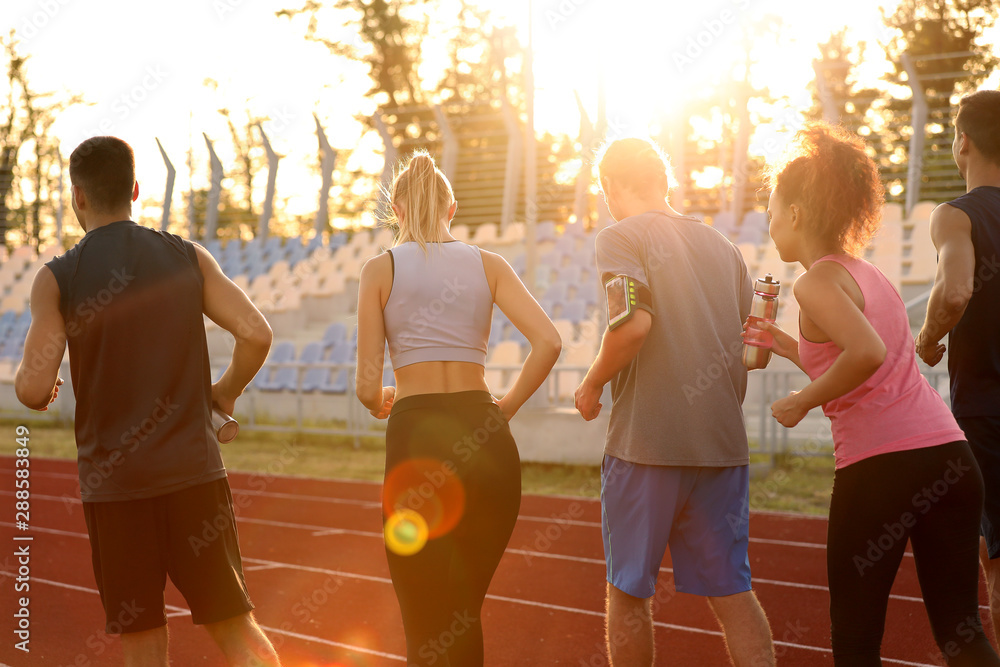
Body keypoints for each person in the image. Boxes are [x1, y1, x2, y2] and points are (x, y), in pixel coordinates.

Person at [14, 136, 280, 667]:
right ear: (135, 188)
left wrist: (44, 383)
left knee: (142, 638)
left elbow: (32, 388)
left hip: (117, 489)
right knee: (236, 628)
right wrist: (223, 393)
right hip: (195, 477)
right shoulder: (188, 257)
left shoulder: (58, 277)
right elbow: (257, 334)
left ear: (78, 198)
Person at [756, 123, 999, 666]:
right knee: (961, 635)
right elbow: (878, 359)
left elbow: (864, 354)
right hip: (950, 459)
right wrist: (790, 347)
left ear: (795, 214)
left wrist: (799, 400)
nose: (769, 225)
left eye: (771, 212)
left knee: (857, 640)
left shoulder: (813, 281)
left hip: (879, 469)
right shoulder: (870, 275)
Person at [574, 137, 775, 667]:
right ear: (663, 181)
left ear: (613, 186)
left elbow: (633, 325)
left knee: (629, 592)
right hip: (721, 444)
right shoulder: (725, 249)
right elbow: (744, 351)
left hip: (646, 445)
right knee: (734, 594)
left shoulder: (620, 236)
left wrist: (592, 382)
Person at [355, 151, 561, 665]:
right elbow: (549, 343)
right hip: (484, 435)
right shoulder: (488, 264)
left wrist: (381, 398)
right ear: (451, 208)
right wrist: (506, 408)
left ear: (397, 210)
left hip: (416, 438)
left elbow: (365, 385)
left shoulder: (379, 270)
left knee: (425, 615)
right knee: (462, 612)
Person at [915, 89, 1000, 642]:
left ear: (961, 141)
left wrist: (926, 340)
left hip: (988, 410)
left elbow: (954, 292)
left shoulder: (956, 216)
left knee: (997, 559)